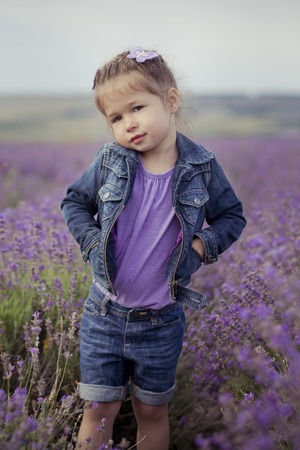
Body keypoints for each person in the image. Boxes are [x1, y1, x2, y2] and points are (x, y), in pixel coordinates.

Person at [61, 47, 246, 450]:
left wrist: (199, 247)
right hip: (104, 313)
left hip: (161, 321)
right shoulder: (111, 160)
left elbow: (232, 215)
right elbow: (74, 202)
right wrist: (92, 241)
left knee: (151, 411)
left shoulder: (202, 166)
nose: (129, 124)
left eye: (137, 108)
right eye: (116, 117)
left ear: (171, 100)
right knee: (98, 409)